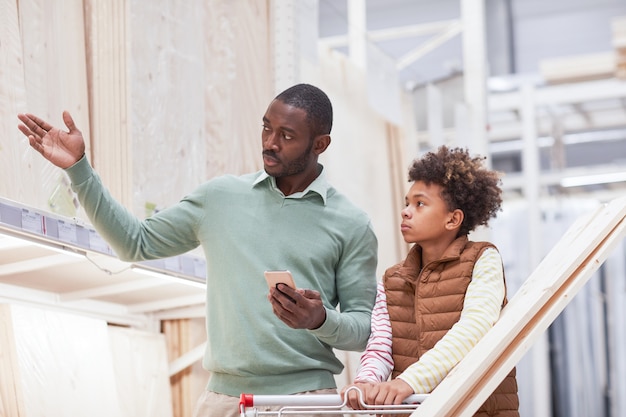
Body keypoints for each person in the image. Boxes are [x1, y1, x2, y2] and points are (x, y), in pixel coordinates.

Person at [17, 83, 378, 417]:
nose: (270, 142)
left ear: (320, 144)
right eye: (266, 128)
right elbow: (134, 243)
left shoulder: (350, 223)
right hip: (223, 402)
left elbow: (365, 330)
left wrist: (320, 320)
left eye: (287, 136)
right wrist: (80, 170)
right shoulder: (220, 198)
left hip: (306, 402)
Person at [341, 146, 519, 416]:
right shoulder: (392, 279)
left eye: (420, 204)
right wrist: (366, 383)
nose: (406, 212)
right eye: (406, 203)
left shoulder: (482, 259)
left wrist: (409, 382)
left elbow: (474, 329)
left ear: (453, 219)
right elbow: (380, 345)